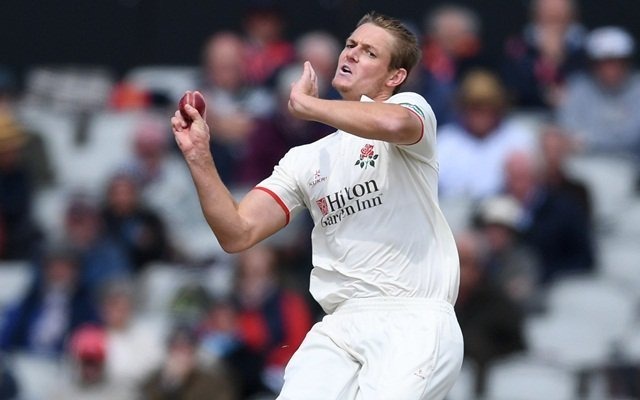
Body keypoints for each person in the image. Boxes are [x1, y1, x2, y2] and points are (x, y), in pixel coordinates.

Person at [171, 11, 463, 400]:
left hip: (412, 317)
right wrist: (199, 157)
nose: (353, 54)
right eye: (351, 44)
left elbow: (394, 125)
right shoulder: (306, 159)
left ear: (394, 77)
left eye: (370, 52)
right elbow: (237, 232)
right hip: (340, 324)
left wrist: (310, 106)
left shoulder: (411, 108)